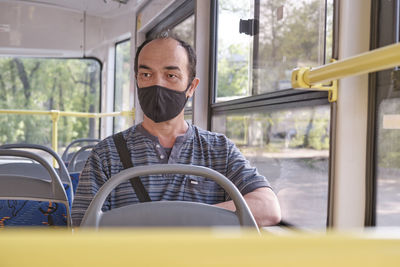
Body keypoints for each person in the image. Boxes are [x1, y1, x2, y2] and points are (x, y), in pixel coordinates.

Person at [71, 35, 281, 227]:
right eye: (146, 74)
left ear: (191, 87)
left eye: (171, 75)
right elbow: (83, 229)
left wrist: (180, 219)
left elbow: (268, 207)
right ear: (137, 81)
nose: (157, 84)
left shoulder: (219, 150)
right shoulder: (106, 154)